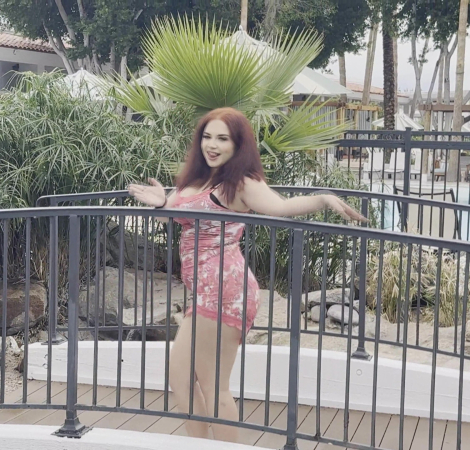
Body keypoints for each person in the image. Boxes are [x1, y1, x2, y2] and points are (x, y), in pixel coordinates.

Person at [127, 107, 367, 443]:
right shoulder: (199, 177)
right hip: (204, 292)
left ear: (238, 145)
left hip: (226, 290)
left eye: (222, 139)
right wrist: (162, 204)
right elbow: (178, 217)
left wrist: (323, 199)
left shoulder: (240, 182)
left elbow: (281, 207)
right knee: (180, 376)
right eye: (207, 137)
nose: (212, 145)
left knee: (213, 385)